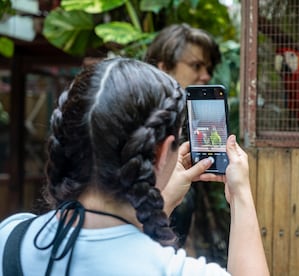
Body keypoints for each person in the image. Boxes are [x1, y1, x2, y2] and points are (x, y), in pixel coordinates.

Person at [0, 58, 269, 276]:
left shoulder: (11, 238)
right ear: (162, 152)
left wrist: (161, 204)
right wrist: (241, 195)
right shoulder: (175, 270)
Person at [145, 23, 222, 249]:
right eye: (196, 66)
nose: (205, 76)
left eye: (208, 68)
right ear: (164, 68)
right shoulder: (139, 116)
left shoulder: (195, 113)